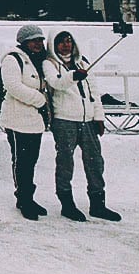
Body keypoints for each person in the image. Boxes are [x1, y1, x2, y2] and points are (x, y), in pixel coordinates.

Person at [44, 30, 121, 222]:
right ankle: (67, 204)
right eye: (61, 41)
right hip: (64, 121)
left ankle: (98, 204)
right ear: (54, 44)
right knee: (65, 163)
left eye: (69, 41)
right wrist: (73, 76)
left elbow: (93, 92)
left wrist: (99, 117)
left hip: (87, 121)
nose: (66, 45)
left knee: (95, 162)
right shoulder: (49, 64)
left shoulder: (83, 62)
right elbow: (56, 83)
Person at [0, 24, 51, 220]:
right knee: (21, 162)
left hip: (34, 121)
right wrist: (40, 100)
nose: (38, 43)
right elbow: (13, 86)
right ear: (24, 42)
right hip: (16, 119)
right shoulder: (13, 59)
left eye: (40, 40)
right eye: (34, 40)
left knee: (31, 160)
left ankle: (28, 196)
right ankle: (23, 198)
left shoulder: (38, 61)